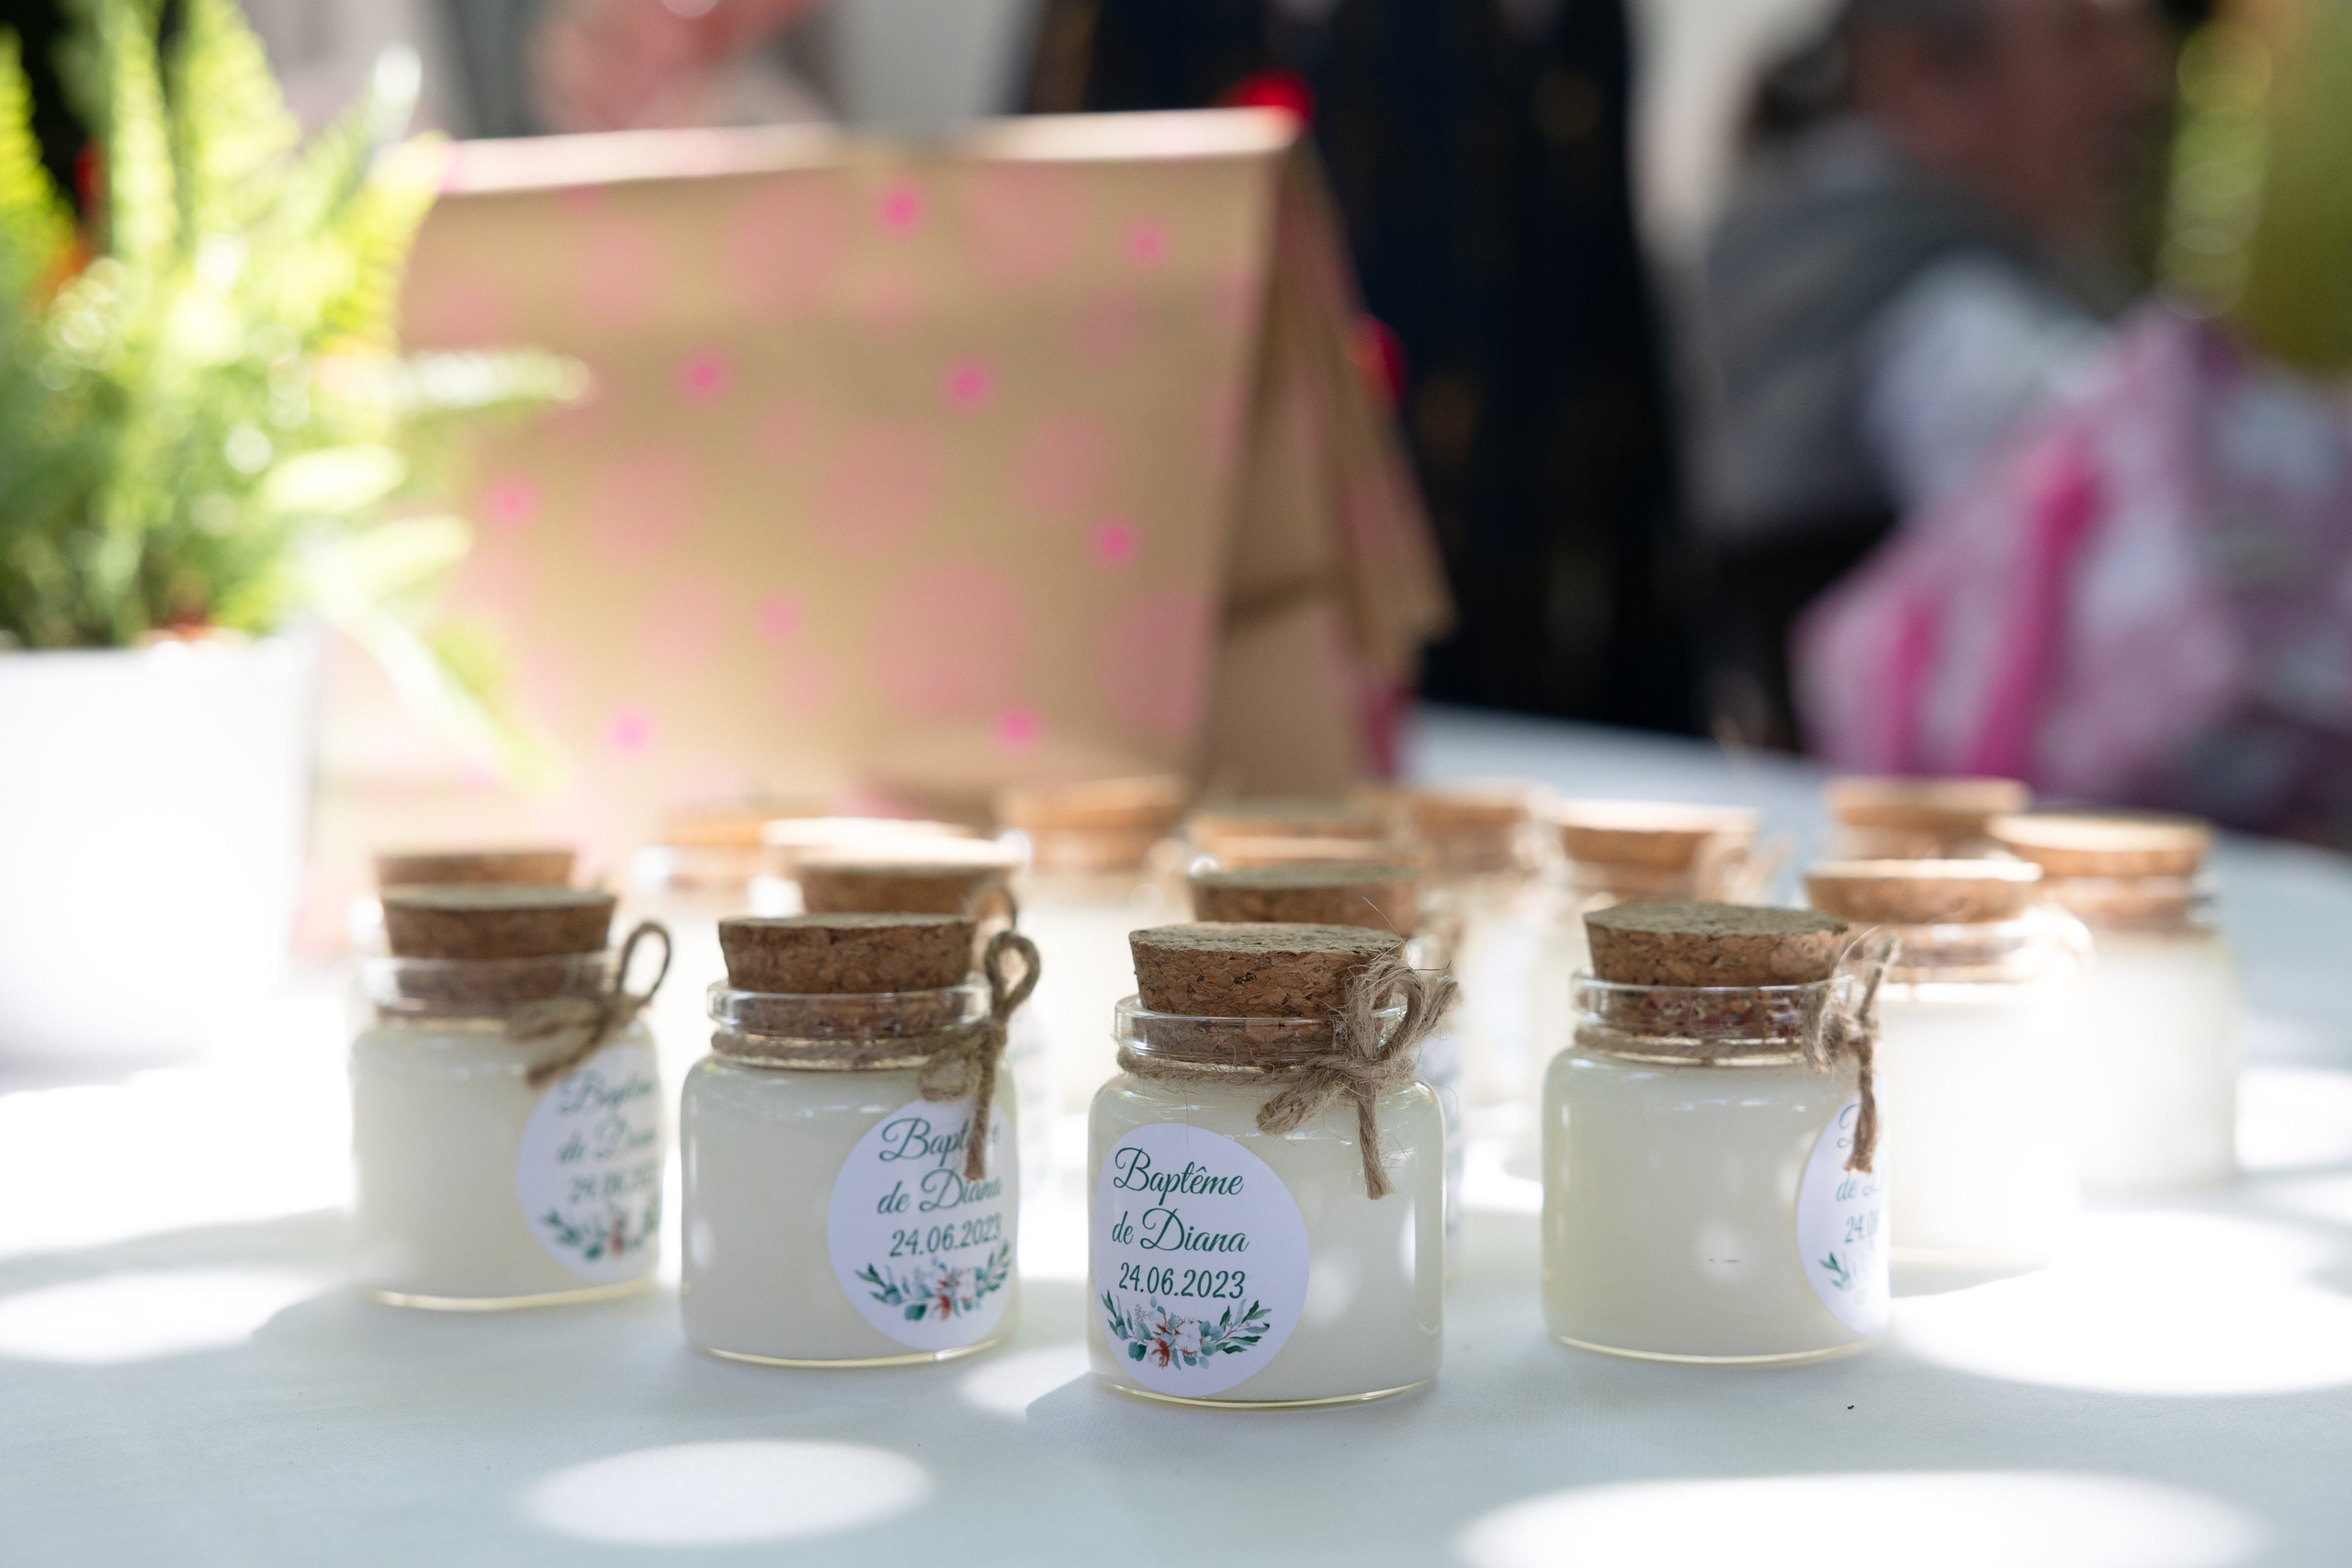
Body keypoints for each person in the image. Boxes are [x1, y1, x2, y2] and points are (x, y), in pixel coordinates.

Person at [1690, 0, 2167, 750]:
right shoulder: (1940, 308)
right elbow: (2136, 524)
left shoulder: (1794, 234)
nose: (2131, 78)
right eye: (2079, 36)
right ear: (1924, 80)